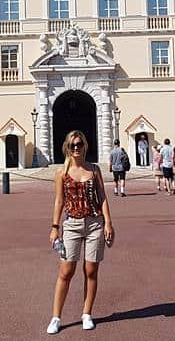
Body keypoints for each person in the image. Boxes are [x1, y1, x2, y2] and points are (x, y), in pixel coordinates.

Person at [47, 130, 114, 335]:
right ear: (67, 147)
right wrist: (54, 227)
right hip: (72, 225)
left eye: (79, 144)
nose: (76, 148)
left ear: (85, 146)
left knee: (91, 271)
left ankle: (87, 314)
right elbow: (59, 200)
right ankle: (56, 317)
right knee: (66, 272)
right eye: (72, 145)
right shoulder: (62, 172)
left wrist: (108, 223)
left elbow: (102, 196)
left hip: (94, 224)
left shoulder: (94, 170)